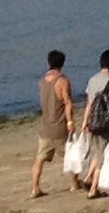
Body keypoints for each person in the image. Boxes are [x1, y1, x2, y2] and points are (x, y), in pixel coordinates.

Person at [75, 49, 109, 196]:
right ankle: (93, 189)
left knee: (98, 152)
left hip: (93, 121)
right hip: (105, 123)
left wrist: (85, 122)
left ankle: (88, 178)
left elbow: (89, 103)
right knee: (102, 155)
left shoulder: (92, 80)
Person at [28, 48, 77, 198]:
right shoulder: (62, 81)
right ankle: (74, 183)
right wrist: (70, 121)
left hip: (45, 126)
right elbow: (67, 103)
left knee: (40, 158)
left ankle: (35, 187)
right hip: (59, 126)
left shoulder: (42, 82)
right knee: (70, 156)